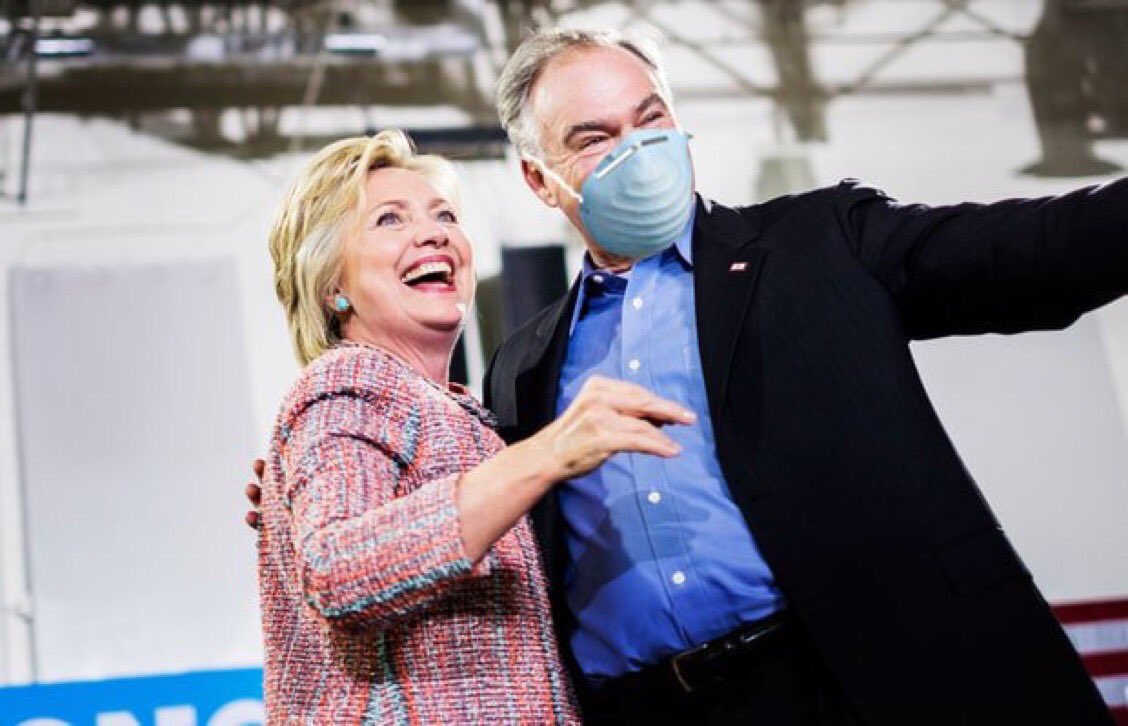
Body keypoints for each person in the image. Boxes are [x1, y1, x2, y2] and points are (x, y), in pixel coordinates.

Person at [479, 27, 1126, 725]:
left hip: (873, 676)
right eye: (595, 138)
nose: (636, 149)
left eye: (651, 117)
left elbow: (1032, 252)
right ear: (539, 179)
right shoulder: (522, 366)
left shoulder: (820, 242)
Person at [256, 128, 695, 724]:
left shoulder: (458, 410)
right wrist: (548, 454)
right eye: (389, 219)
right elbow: (337, 569)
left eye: (444, 215)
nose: (434, 232)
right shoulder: (348, 381)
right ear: (332, 285)